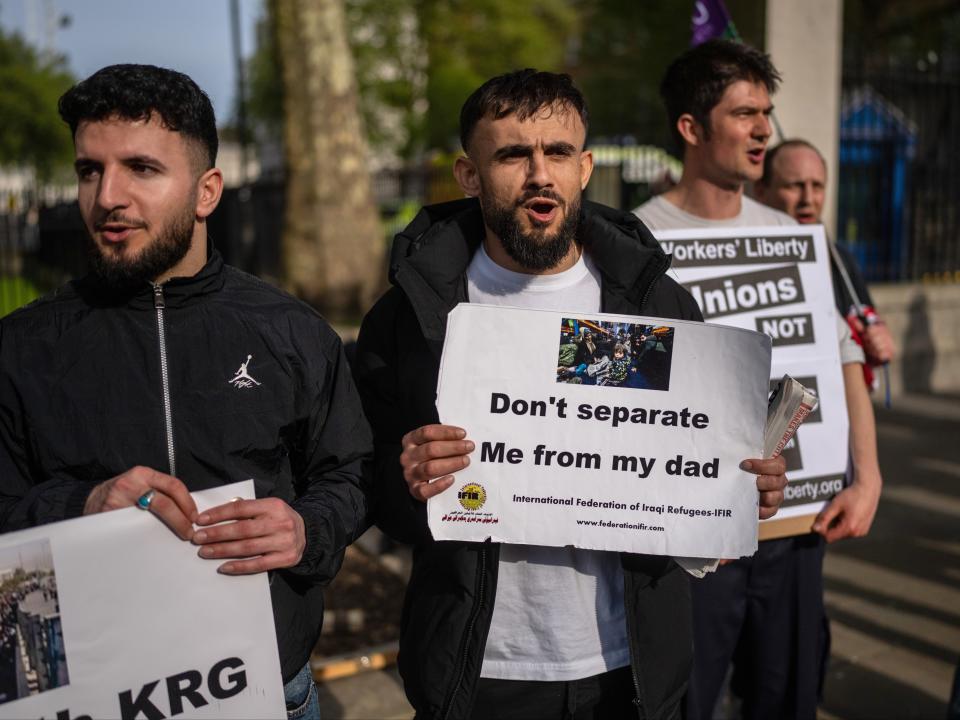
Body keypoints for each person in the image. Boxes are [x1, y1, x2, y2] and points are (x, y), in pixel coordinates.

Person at [353, 68, 788, 720]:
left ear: (584, 167)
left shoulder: (651, 304)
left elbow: (682, 471)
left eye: (557, 153)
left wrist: (738, 487)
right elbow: (366, 484)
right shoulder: (414, 314)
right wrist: (404, 475)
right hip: (476, 674)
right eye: (511, 154)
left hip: (627, 671)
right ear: (469, 175)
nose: (539, 174)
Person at [0, 64, 372, 719]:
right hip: (85, 697)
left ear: (207, 193)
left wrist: (306, 529)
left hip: (269, 694)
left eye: (141, 168)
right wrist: (82, 503)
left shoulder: (292, 331)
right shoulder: (21, 348)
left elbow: (353, 473)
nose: (107, 195)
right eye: (90, 169)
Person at [634, 41, 883, 720]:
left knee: (788, 695)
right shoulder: (635, 242)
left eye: (766, 112)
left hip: (796, 529)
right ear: (691, 128)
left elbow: (843, 360)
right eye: (745, 113)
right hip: (688, 542)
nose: (763, 130)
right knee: (686, 701)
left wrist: (867, 478)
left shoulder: (793, 234)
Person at [754, 139, 897, 376]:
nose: (808, 199)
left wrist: (880, 338)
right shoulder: (740, 256)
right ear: (760, 191)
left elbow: (866, 319)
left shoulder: (839, 258)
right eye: (795, 185)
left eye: (817, 186)